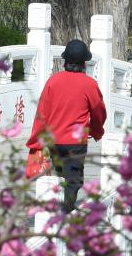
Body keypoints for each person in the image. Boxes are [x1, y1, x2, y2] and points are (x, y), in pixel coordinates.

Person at [25, 39, 107, 214]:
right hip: (75, 142)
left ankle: (57, 207)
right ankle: (65, 213)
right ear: (84, 63)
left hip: (54, 140)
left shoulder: (53, 81)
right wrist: (97, 130)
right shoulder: (89, 84)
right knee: (74, 180)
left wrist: (35, 142)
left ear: (65, 61)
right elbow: (99, 112)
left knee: (62, 173)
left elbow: (42, 112)